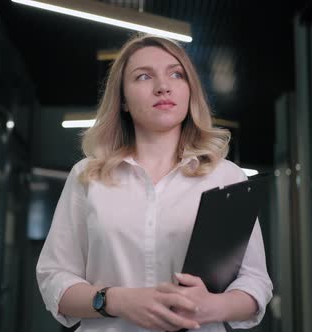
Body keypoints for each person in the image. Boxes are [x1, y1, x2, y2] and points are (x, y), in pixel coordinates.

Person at [36, 34, 272, 332]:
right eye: (144, 76)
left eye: (176, 74)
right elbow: (54, 278)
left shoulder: (226, 176)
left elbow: (255, 282)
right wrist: (116, 300)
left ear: (190, 91)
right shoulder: (87, 175)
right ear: (122, 99)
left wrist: (211, 306)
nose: (163, 86)